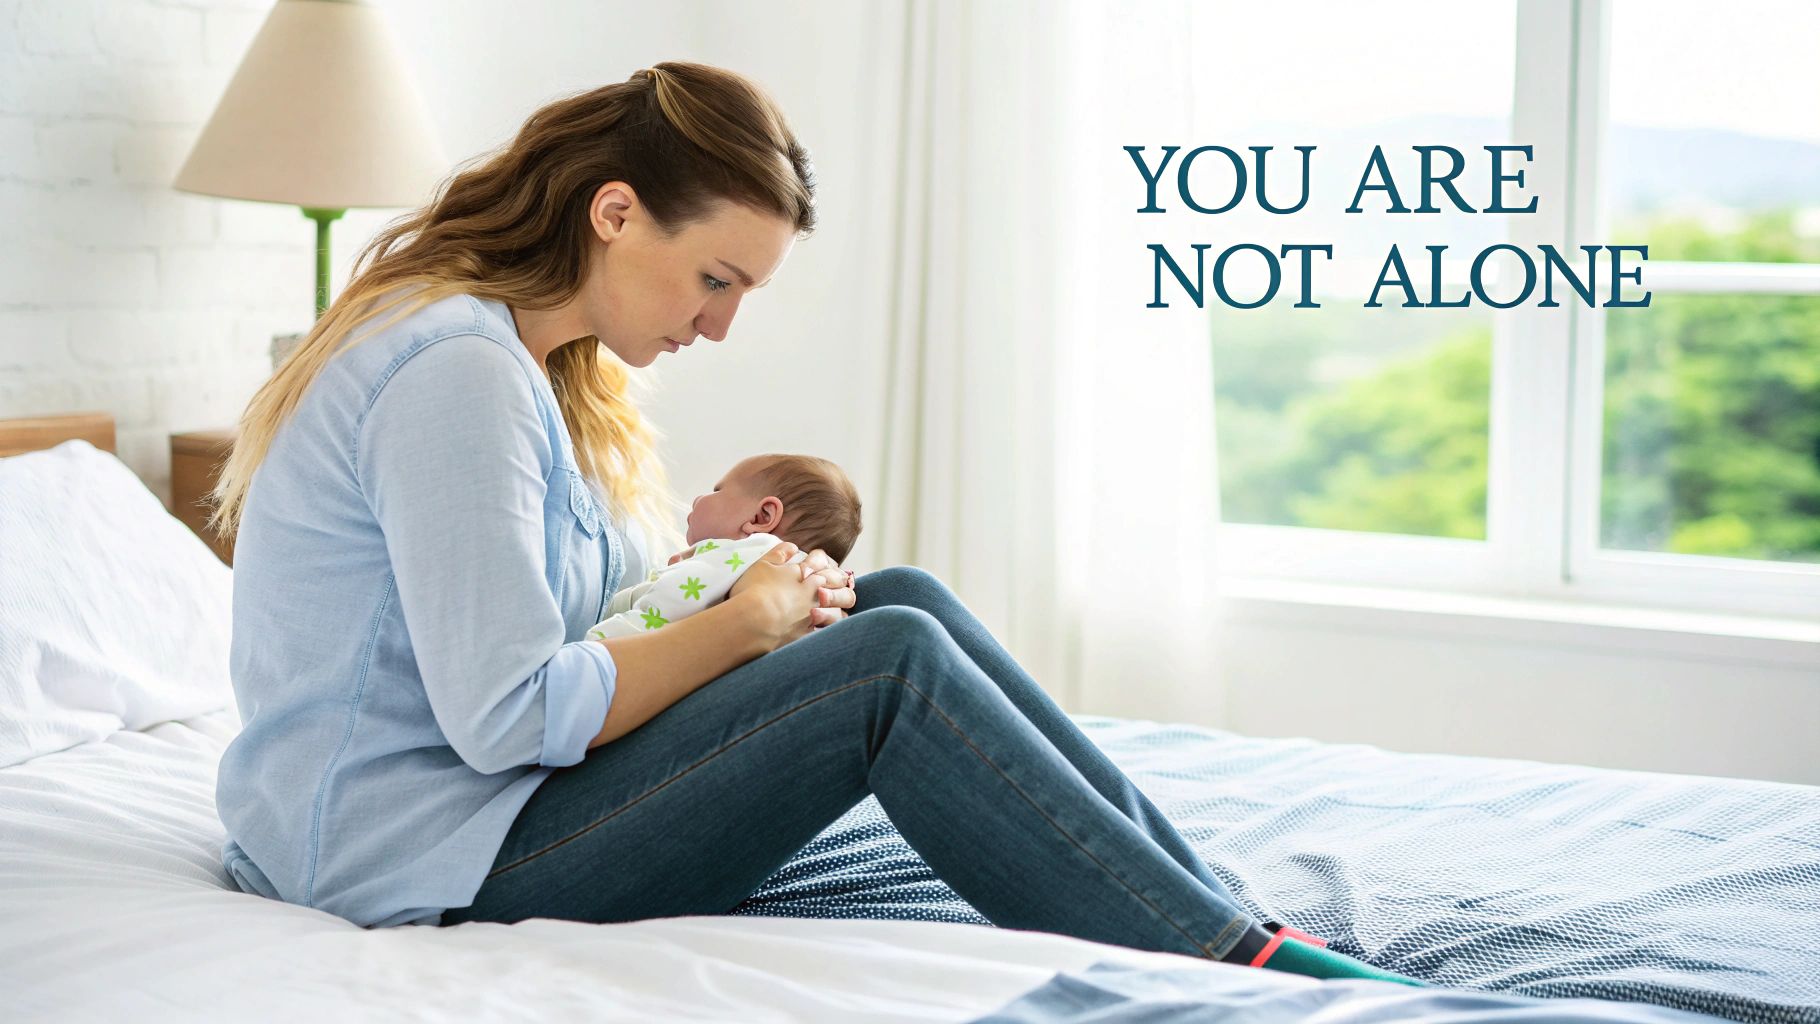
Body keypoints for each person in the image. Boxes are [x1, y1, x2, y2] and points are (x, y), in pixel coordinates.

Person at [206, 60, 1419, 986]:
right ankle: (1233, 962)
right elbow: (507, 714)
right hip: (409, 860)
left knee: (900, 601)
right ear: (614, 212)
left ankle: (1208, 905)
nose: (718, 324)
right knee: (887, 668)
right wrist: (740, 628)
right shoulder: (453, 375)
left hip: (482, 810)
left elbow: (577, 627)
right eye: (715, 280)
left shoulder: (541, 368)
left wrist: (763, 608)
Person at [590, 453, 863, 640]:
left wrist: (591, 645)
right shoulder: (800, 581)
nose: (699, 498)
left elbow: (655, 617)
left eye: (717, 490)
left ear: (761, 517)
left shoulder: (747, 553)